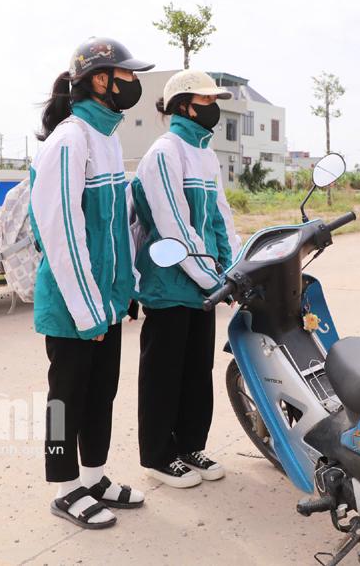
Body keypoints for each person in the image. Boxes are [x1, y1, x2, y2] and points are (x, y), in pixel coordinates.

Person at [29, 36, 153, 529]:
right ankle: (65, 489)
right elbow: (61, 231)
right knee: (66, 400)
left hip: (106, 303)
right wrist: (86, 311)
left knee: (101, 394)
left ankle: (94, 478)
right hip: (73, 306)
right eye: (127, 75)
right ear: (101, 80)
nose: (134, 83)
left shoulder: (107, 139)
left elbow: (117, 226)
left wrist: (125, 290)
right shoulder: (70, 140)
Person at [129, 69, 241, 488]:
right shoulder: (165, 153)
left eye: (214, 101)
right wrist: (212, 278)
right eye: (206, 101)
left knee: (196, 371)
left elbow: (220, 219)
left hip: (203, 284)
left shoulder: (205, 154)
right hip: (169, 285)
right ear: (184, 106)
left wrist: (232, 268)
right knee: (164, 374)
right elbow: (174, 226)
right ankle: (159, 455)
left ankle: (191, 446)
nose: (213, 108)